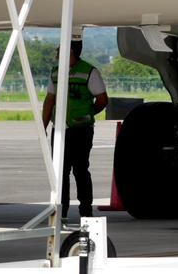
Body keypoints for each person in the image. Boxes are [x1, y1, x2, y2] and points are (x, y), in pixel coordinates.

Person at [40, 30, 109, 222]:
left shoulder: (89, 72)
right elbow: (49, 100)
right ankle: (61, 212)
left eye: (60, 48)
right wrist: (42, 126)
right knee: (60, 173)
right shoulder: (56, 72)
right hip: (61, 130)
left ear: (70, 50)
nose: (56, 52)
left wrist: (87, 114)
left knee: (80, 170)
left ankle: (86, 210)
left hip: (81, 130)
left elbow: (103, 100)